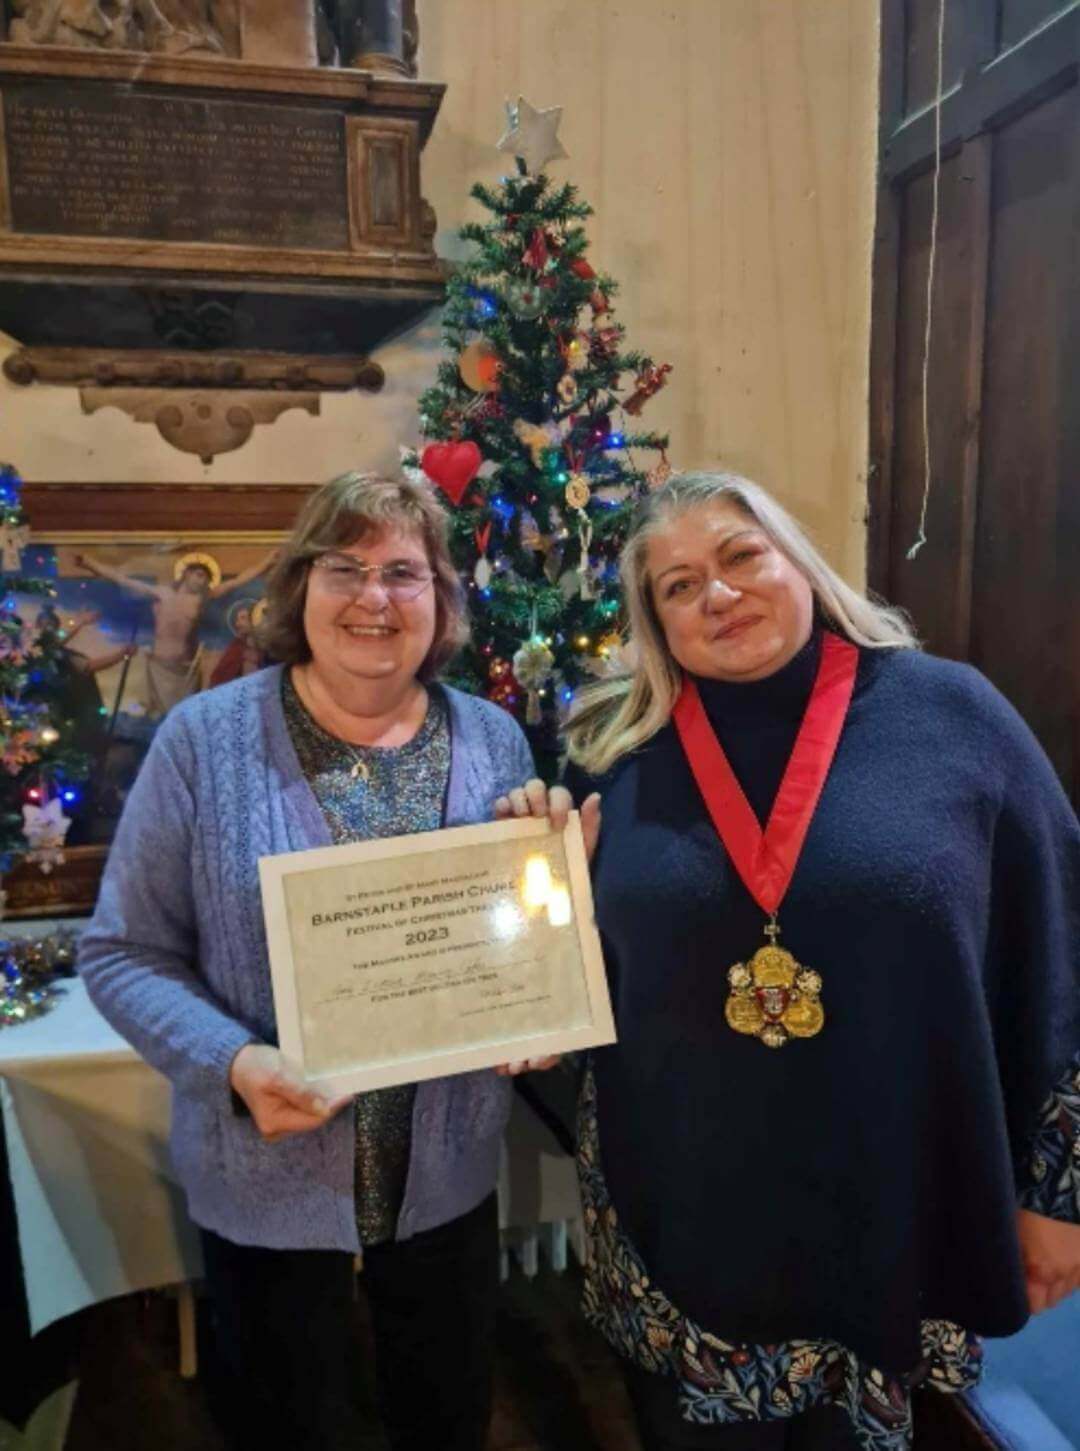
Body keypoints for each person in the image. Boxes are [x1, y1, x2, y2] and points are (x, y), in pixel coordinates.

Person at [521, 471, 1080, 1451]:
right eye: (679, 585)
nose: (718, 594)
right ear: (657, 622)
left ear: (801, 563)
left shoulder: (956, 714)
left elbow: (1065, 947)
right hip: (680, 1223)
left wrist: (1061, 1193)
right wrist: (530, 896)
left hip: (893, 1206)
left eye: (741, 556)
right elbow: (579, 970)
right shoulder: (614, 750)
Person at [78, 472, 554, 1451]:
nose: (374, 597)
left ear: (441, 599)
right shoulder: (203, 741)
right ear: (299, 587)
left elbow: (519, 937)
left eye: (403, 572)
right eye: (345, 568)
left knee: (446, 1421)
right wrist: (233, 1063)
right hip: (267, 1183)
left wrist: (543, 991)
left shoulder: (494, 738)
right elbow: (122, 952)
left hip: (446, 1183)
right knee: (286, 1425)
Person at [73, 548, 276, 719]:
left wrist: (266, 562)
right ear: (186, 574)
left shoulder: (202, 598)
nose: (202, 582)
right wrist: (90, 564)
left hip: (186, 672)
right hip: (159, 668)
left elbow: (238, 581)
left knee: (187, 721)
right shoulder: (162, 594)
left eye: (206, 578)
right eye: (199, 575)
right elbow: (123, 580)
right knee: (159, 720)